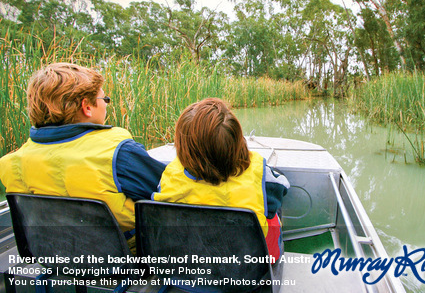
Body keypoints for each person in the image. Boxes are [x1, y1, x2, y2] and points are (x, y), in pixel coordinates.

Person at [0, 62, 166, 242]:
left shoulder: (12, 163)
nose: (106, 105)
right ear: (86, 106)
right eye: (105, 99)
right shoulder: (118, 153)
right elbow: (167, 193)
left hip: (55, 256)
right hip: (124, 260)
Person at [153, 97, 289, 261]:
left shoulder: (170, 175)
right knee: (272, 207)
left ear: (183, 148)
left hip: (188, 266)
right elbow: (283, 187)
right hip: (246, 268)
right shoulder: (260, 171)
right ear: (238, 141)